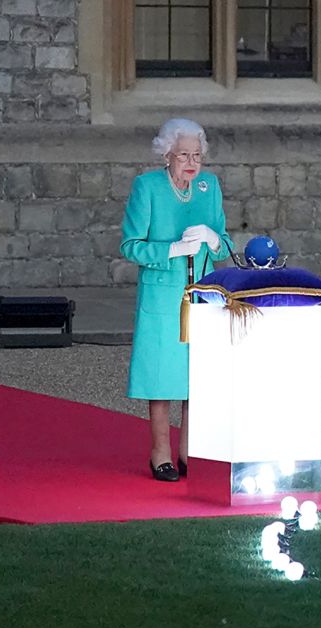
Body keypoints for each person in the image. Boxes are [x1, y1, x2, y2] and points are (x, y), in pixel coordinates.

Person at [119, 118, 231, 482]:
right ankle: (160, 453)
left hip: (203, 292)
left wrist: (214, 240)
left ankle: (190, 451)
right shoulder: (147, 186)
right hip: (162, 295)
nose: (191, 162)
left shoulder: (208, 186)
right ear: (166, 153)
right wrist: (172, 249)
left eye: (197, 154)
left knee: (198, 376)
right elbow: (130, 246)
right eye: (183, 154)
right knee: (162, 376)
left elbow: (227, 244)